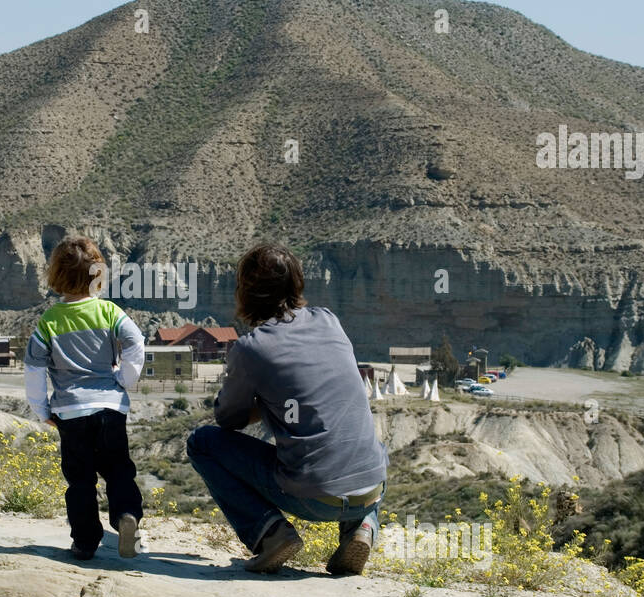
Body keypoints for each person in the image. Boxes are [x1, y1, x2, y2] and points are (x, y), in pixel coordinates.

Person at [186, 244, 388, 574]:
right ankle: (361, 527)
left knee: (202, 443)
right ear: (296, 284)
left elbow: (227, 419)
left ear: (245, 292)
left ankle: (270, 533)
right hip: (372, 487)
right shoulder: (329, 320)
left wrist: (264, 403)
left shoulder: (251, 348)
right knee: (368, 445)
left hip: (314, 497)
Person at [24, 237, 146, 560]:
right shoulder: (108, 311)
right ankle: (126, 515)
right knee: (119, 469)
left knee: (80, 480)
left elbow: (33, 368)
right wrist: (123, 380)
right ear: (98, 275)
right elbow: (136, 344)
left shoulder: (49, 321)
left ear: (56, 275)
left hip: (70, 412)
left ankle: (85, 541)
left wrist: (42, 409)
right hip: (110, 408)